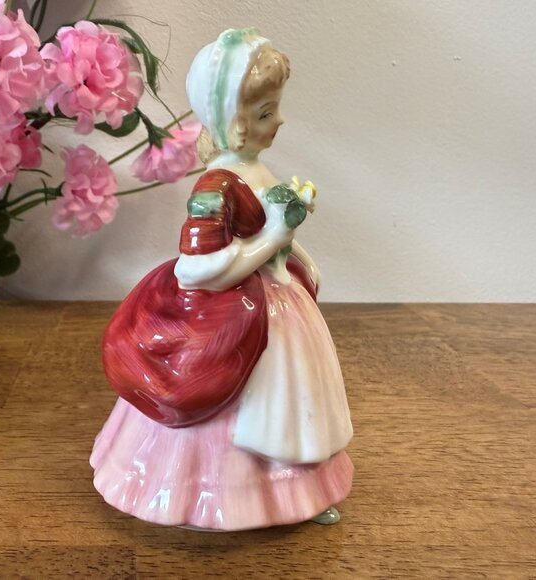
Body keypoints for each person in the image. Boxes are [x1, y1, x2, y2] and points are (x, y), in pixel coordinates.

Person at [90, 28, 354, 531]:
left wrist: (299, 252)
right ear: (234, 123)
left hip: (280, 302)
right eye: (265, 113)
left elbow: (279, 226)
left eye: (275, 108)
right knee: (248, 396)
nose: (279, 120)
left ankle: (302, 490)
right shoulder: (213, 188)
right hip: (238, 315)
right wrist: (274, 240)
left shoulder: (259, 171)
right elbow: (197, 270)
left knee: (297, 402)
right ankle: (207, 495)